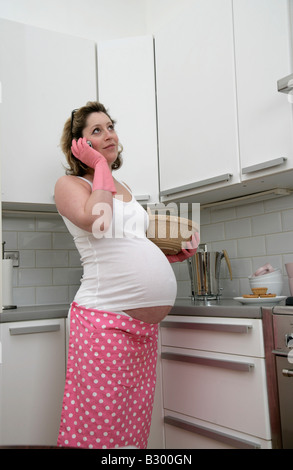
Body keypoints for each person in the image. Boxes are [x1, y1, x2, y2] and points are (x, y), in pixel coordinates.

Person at [54, 101, 198, 449]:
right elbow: (98, 220)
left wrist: (170, 257)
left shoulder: (126, 189)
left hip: (143, 330)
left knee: (132, 428)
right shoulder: (70, 184)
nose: (109, 135)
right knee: (99, 429)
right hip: (104, 320)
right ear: (79, 145)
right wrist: (100, 166)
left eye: (111, 126)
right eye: (96, 130)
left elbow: (129, 243)